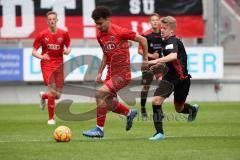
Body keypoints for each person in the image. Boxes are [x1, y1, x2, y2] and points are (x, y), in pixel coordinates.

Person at [82, 6, 148, 138]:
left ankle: (99, 130)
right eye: (96, 24)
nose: (98, 27)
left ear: (107, 19)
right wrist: (100, 72)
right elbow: (106, 54)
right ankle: (129, 113)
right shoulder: (100, 35)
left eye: (100, 24)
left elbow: (143, 39)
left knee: (99, 94)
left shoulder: (120, 31)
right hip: (110, 73)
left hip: (122, 74)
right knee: (109, 104)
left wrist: (145, 59)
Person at [148, 16, 199, 140]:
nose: (161, 30)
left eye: (164, 28)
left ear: (171, 31)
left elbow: (173, 56)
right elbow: (171, 62)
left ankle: (192, 109)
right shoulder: (166, 43)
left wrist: (156, 61)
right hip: (169, 77)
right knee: (156, 101)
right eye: (161, 28)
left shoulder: (173, 41)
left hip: (182, 79)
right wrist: (160, 65)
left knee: (179, 108)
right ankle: (159, 133)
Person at [32, 11, 71, 125]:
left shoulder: (64, 33)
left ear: (57, 20)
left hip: (59, 65)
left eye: (54, 19)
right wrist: (41, 56)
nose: (52, 21)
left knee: (57, 95)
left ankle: (43, 96)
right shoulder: (42, 35)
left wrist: (67, 51)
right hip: (47, 65)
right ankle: (51, 118)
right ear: (47, 21)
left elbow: (68, 46)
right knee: (52, 91)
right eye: (49, 19)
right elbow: (34, 51)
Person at [138, 13, 163, 118]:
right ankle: (143, 107)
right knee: (146, 87)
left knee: (161, 84)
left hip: (158, 64)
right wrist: (151, 55)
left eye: (157, 20)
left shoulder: (163, 34)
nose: (155, 22)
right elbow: (139, 50)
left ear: (159, 22)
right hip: (147, 64)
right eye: (153, 20)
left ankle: (158, 110)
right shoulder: (146, 35)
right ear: (150, 22)